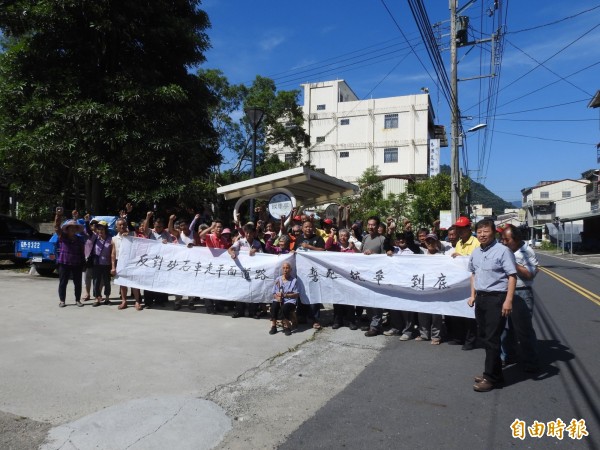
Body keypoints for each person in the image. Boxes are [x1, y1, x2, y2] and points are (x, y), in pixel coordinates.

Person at [468, 219, 517, 392]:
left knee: (492, 338)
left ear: (494, 232)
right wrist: (472, 295)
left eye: (485, 231)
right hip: (481, 299)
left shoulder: (503, 251)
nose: (482, 234)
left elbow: (512, 275)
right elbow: (473, 274)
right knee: (485, 337)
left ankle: (489, 378)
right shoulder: (475, 252)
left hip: (496, 299)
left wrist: (508, 300)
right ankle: (496, 375)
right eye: (479, 231)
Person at [500, 225, 539, 372]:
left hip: (521, 292)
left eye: (507, 240)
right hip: (505, 292)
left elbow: (530, 274)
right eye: (502, 239)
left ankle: (531, 362)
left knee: (523, 330)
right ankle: (507, 356)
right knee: (505, 328)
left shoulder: (526, 252)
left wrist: (512, 264)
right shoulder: (505, 250)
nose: (503, 242)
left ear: (516, 239)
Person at [448, 216, 480, 350]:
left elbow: (477, 261)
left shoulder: (476, 242)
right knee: (458, 311)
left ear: (469, 228)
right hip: (461, 283)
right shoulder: (459, 243)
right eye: (458, 228)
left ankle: (470, 340)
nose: (460, 231)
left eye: (462, 228)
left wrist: (463, 258)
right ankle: (458, 337)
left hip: (473, 282)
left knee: (470, 313)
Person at [362, 216, 394, 337]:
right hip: (366, 274)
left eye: (373, 225)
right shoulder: (365, 238)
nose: (370, 227)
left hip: (377, 275)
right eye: (369, 224)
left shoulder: (382, 239)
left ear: (378, 226)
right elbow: (361, 254)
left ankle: (375, 326)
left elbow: (385, 256)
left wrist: (373, 254)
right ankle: (372, 322)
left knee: (376, 302)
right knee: (368, 302)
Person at [325, 228, 359, 330]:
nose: (343, 237)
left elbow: (360, 258)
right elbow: (327, 246)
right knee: (337, 300)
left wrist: (355, 249)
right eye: (341, 236)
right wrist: (332, 235)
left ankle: (351, 321)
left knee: (349, 300)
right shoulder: (336, 247)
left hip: (349, 278)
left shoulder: (351, 247)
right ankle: (337, 321)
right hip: (337, 277)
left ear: (348, 237)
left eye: (345, 235)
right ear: (338, 237)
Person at [228, 223, 263, 319]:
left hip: (253, 271)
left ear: (254, 233)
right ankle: (239, 311)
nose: (248, 235)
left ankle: (253, 312)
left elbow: (264, 256)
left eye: (251, 233)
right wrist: (232, 254)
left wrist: (255, 250)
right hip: (241, 270)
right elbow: (230, 249)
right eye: (247, 233)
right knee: (240, 290)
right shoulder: (240, 242)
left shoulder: (257, 243)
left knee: (253, 291)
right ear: (244, 233)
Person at [296, 220, 325, 329]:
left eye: (310, 227)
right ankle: (301, 316)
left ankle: (315, 319)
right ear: (302, 228)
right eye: (306, 227)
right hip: (302, 271)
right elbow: (295, 251)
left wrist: (309, 247)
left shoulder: (318, 239)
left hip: (314, 272)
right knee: (302, 293)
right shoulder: (299, 239)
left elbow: (322, 250)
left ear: (313, 228)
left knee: (314, 294)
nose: (308, 228)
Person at [54, 208, 86, 308]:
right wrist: (58, 215)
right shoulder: (62, 236)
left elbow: (82, 252)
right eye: (70, 228)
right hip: (64, 263)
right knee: (63, 283)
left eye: (74, 228)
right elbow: (56, 227)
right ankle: (62, 300)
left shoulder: (79, 239)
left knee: (78, 283)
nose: (72, 229)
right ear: (67, 229)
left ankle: (77, 300)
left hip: (77, 264)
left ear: (76, 230)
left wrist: (83, 263)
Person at [111, 218, 143, 311]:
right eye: (120, 225)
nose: (122, 226)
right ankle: (124, 301)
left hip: (131, 262)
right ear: (116, 227)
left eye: (124, 224)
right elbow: (113, 254)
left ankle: (137, 301)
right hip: (120, 263)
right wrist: (113, 267)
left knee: (134, 283)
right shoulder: (114, 239)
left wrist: (128, 236)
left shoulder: (133, 235)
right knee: (122, 283)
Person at [168, 214, 197, 311]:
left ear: (188, 225)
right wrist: (171, 220)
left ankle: (191, 301)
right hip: (180, 263)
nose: (183, 227)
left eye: (184, 225)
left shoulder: (194, 234)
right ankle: (177, 301)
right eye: (181, 226)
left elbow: (200, 245)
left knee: (191, 283)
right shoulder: (178, 234)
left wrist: (193, 244)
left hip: (192, 263)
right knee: (179, 282)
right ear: (179, 227)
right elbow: (170, 230)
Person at [269, 262, 299, 336]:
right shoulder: (278, 279)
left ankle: (286, 326)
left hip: (290, 301)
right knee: (274, 306)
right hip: (279, 300)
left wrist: (285, 295)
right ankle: (273, 325)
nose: (285, 270)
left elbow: (297, 294)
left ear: (291, 269)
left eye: (287, 268)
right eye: (284, 268)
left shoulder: (294, 280)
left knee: (285, 308)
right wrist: (277, 297)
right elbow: (274, 293)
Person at [89, 220, 113, 307]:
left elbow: (113, 252)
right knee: (96, 281)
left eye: (102, 229)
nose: (100, 230)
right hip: (97, 263)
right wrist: (87, 221)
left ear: (106, 229)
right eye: (99, 229)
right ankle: (97, 298)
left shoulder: (110, 239)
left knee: (107, 281)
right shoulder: (95, 238)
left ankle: (107, 298)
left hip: (107, 264)